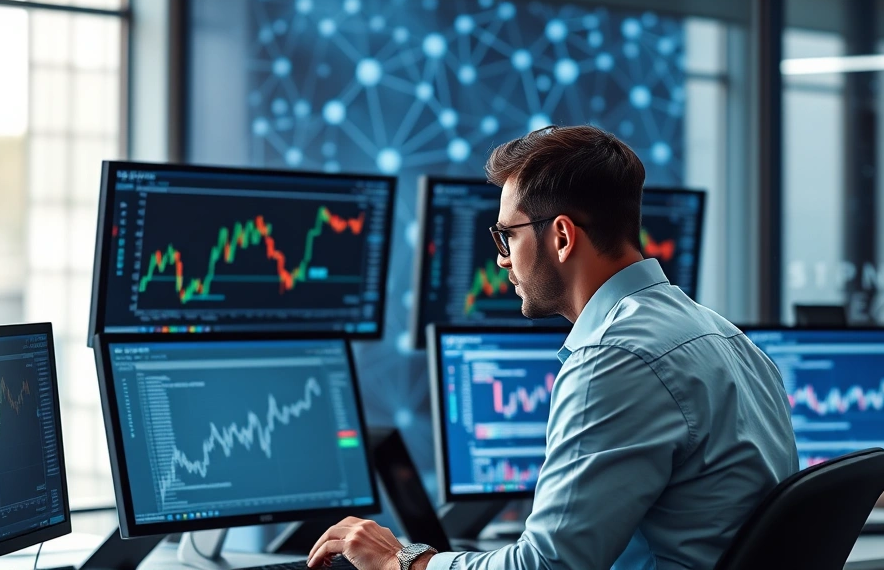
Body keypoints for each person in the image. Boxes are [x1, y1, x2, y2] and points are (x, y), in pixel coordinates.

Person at [308, 125, 799, 570]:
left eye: (505, 237)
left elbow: (546, 569)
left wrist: (403, 562)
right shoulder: (727, 338)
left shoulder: (614, 357)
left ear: (561, 236)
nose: (501, 261)